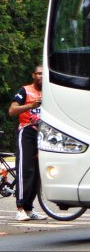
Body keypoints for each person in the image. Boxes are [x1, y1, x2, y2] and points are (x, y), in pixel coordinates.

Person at [8, 65, 47, 221]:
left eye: (44, 74)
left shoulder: (49, 93)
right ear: (33, 75)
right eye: (38, 74)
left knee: (37, 172)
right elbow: (12, 111)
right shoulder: (25, 90)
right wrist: (30, 105)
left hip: (43, 134)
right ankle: (20, 208)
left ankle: (29, 209)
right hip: (26, 131)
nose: (41, 76)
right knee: (25, 169)